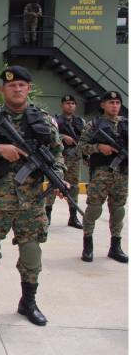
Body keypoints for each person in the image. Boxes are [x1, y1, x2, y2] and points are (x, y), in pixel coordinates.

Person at [0, 66, 66, 326]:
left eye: (22, 85)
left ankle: (28, 302)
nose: (17, 89)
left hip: (31, 200)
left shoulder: (42, 119)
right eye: (11, 85)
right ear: (2, 90)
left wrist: (60, 176)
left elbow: (58, 152)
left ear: (28, 88)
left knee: (31, 252)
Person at [79, 91, 128, 264]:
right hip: (100, 175)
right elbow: (81, 147)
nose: (114, 105)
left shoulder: (128, 124)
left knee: (118, 210)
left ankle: (115, 246)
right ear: (103, 105)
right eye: (111, 102)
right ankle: (88, 244)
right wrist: (99, 147)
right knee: (93, 209)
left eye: (117, 102)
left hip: (122, 175)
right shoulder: (93, 125)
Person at [45, 95, 86, 228]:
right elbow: (49, 135)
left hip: (75, 158)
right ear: (62, 105)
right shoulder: (55, 120)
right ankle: (47, 215)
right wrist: (63, 137)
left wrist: (85, 156)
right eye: (68, 103)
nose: (70, 106)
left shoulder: (81, 122)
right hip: (58, 158)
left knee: (73, 187)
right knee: (54, 184)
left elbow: (84, 140)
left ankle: (73, 217)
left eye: (73, 103)